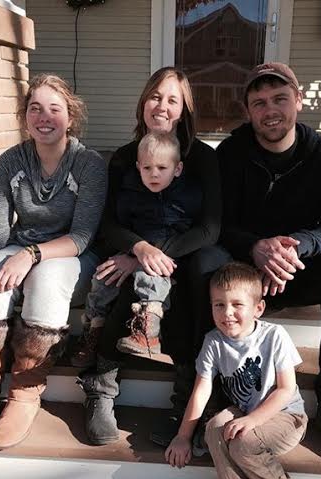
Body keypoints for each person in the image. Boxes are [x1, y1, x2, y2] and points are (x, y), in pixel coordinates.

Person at [216, 62, 321, 465]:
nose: (270, 110)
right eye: (259, 102)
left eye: (279, 99)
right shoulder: (230, 155)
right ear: (248, 111)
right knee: (204, 264)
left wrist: (298, 246)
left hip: (298, 268)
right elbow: (217, 224)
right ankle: (213, 396)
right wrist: (255, 248)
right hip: (245, 273)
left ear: (298, 101)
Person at [76, 67, 230, 446]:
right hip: (137, 250)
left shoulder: (203, 159)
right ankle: (101, 388)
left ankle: (188, 402)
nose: (162, 106)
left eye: (172, 99)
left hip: (188, 253)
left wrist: (153, 256)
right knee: (121, 278)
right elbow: (109, 224)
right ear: (143, 103)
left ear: (184, 110)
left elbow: (209, 229)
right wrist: (138, 250)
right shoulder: (124, 158)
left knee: (199, 279)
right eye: (155, 96)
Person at [0, 74, 107, 451]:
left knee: (47, 277)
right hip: (22, 247)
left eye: (54, 109)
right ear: (25, 117)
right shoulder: (11, 162)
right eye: (35, 108)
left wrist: (31, 255)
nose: (44, 117)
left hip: (72, 256)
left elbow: (83, 236)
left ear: (70, 118)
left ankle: (24, 392)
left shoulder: (88, 164)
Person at [166, 263, 318, 479]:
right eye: (219, 304)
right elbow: (201, 391)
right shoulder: (213, 341)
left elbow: (285, 390)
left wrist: (253, 420)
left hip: (286, 417)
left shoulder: (274, 336)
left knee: (242, 442)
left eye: (237, 304)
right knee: (214, 429)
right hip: (245, 412)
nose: (227, 313)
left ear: (258, 308)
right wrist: (183, 437)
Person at [72, 132, 195, 366]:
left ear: (177, 169)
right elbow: (118, 229)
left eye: (162, 167)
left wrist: (151, 256)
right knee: (103, 276)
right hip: (132, 251)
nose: (154, 174)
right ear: (138, 167)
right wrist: (131, 253)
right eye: (147, 168)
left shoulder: (187, 197)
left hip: (166, 258)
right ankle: (93, 328)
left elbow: (190, 233)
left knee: (148, 275)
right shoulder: (130, 195)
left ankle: (148, 329)